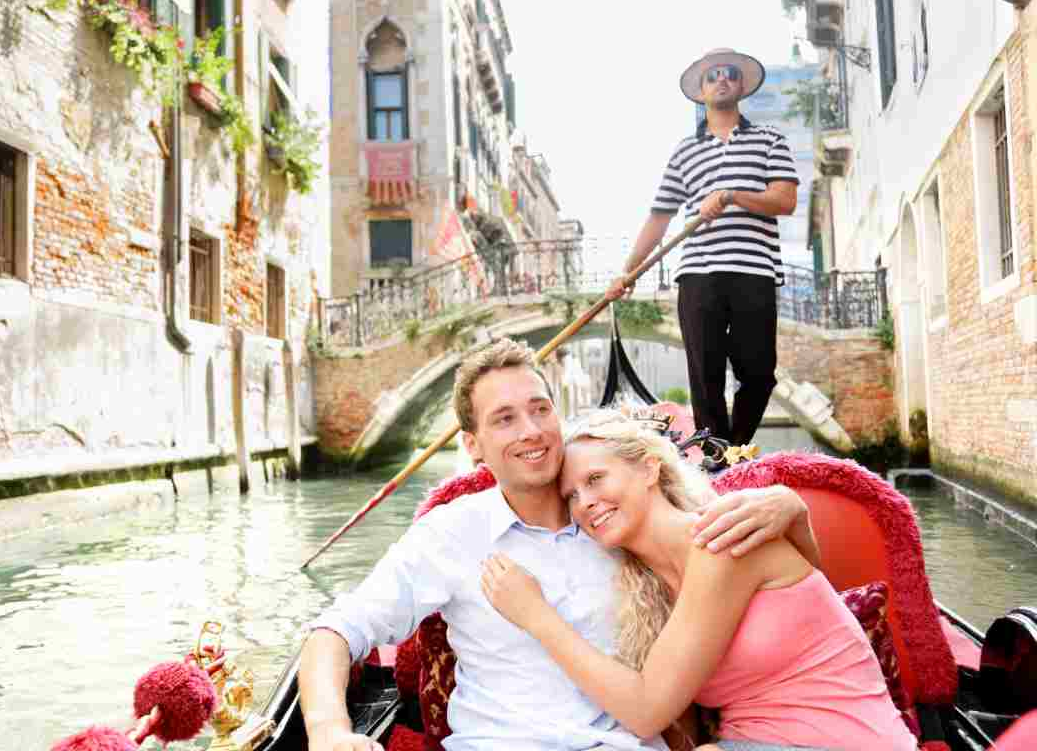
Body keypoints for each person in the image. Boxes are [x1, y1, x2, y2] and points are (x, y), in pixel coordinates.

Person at [299, 338, 822, 751]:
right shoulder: (450, 534)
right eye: (504, 419)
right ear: (473, 446)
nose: (531, 431)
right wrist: (327, 729)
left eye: (540, 409)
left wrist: (791, 509)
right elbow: (336, 631)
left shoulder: (619, 517)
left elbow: (771, 585)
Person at [480, 409, 918, 751]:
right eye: (571, 496)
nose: (586, 503)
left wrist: (536, 617)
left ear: (650, 469)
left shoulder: (720, 540)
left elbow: (646, 710)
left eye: (595, 479)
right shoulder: (646, 588)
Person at [606, 48, 799, 447]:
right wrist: (628, 272)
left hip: (754, 271)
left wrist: (731, 195)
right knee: (704, 372)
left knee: (759, 373)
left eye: (729, 73)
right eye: (712, 76)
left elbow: (784, 199)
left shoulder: (770, 141)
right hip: (698, 274)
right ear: (701, 90)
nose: (722, 79)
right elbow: (659, 219)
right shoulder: (684, 151)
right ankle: (716, 454)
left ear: (741, 85)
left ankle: (737, 449)